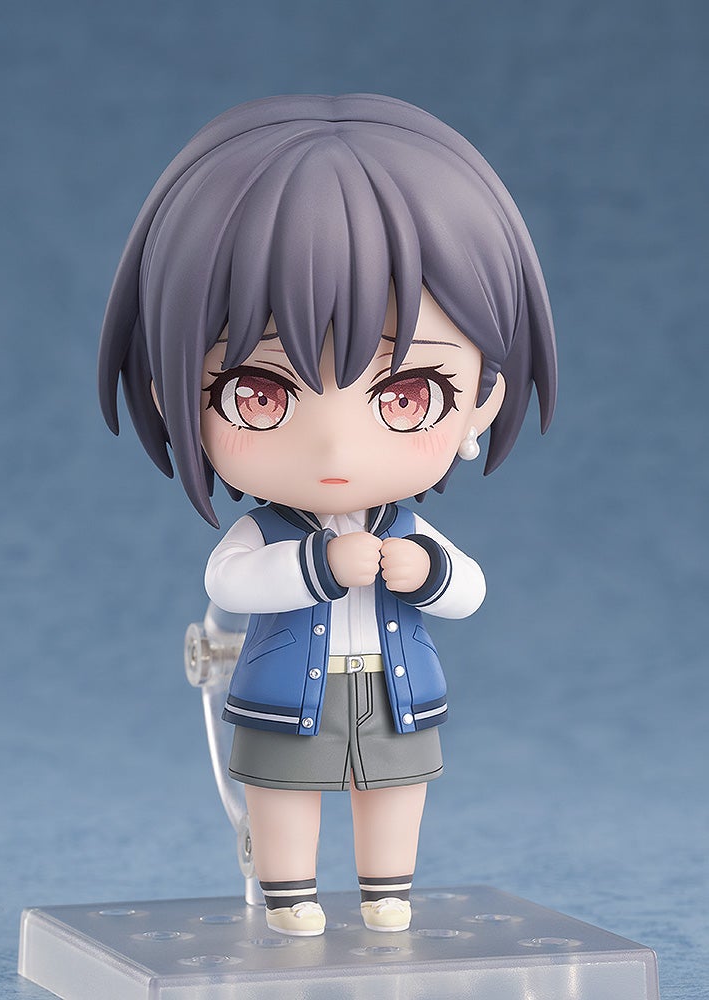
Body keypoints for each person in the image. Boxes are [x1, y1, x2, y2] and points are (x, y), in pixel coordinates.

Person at [98, 94, 557, 937]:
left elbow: (470, 591)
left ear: (482, 399)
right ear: (173, 397)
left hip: (397, 692)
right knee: (283, 791)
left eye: (406, 394)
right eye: (261, 394)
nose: (336, 446)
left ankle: (387, 893)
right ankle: (290, 897)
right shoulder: (267, 532)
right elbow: (230, 582)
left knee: (396, 789)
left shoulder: (407, 529)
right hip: (285, 696)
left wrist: (428, 571)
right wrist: (314, 568)